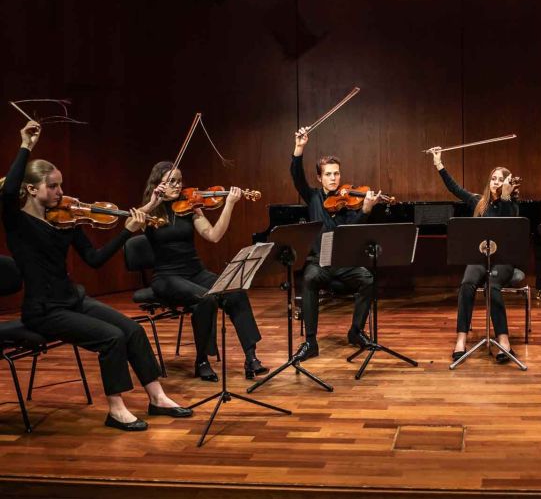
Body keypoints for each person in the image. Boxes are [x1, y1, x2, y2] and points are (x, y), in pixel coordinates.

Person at [1, 121, 191, 431]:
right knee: (111, 338)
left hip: (72, 299)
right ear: (31, 188)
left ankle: (158, 398)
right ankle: (116, 410)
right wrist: (26, 145)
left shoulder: (67, 220)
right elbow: (9, 190)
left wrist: (129, 230)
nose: (61, 192)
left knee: (132, 330)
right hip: (44, 310)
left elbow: (95, 260)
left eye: (60, 185)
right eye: (53, 186)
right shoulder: (17, 223)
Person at [140, 163, 269, 381]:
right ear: (157, 183)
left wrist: (229, 205)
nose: (178, 185)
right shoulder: (151, 212)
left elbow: (213, 235)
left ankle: (251, 357)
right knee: (206, 300)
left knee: (235, 291)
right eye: (171, 181)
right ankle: (202, 360)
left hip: (195, 272)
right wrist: (154, 201)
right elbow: (130, 225)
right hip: (166, 277)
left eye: (179, 180)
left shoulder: (190, 207)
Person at [289, 127, 380, 362]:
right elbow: (297, 176)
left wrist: (366, 210)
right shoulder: (312, 197)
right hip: (319, 263)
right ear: (319, 178)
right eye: (328, 174)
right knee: (308, 278)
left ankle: (356, 332)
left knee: (368, 279)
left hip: (343, 264)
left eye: (336, 174)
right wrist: (299, 148)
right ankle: (310, 342)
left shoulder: (350, 202)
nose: (333, 178)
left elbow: (353, 232)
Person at [430, 148, 521, 363]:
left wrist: (506, 198)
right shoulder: (479, 201)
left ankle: (504, 340)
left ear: (507, 184)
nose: (496, 182)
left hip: (503, 260)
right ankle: (461, 339)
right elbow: (455, 188)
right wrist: (439, 165)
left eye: (501, 180)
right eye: (494, 178)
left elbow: (508, 227)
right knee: (467, 284)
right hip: (480, 258)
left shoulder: (512, 206)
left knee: (492, 286)